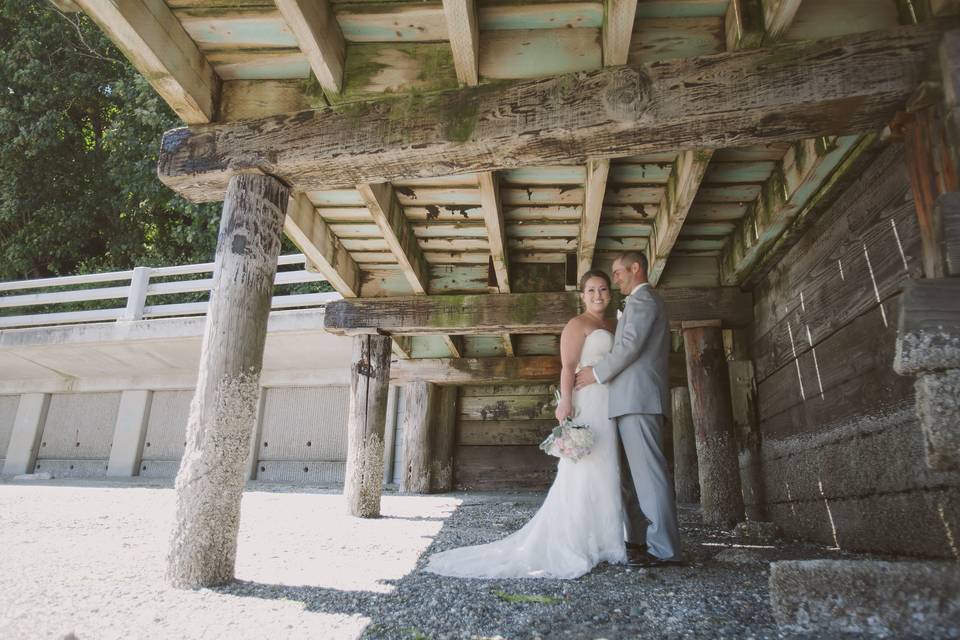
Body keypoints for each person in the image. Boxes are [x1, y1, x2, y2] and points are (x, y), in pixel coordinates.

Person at [422, 270, 626, 579]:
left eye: (603, 289)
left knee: (608, 467)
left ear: (610, 293)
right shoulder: (577, 325)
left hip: (609, 403)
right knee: (583, 469)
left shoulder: (613, 325)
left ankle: (608, 541)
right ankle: (574, 540)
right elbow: (568, 367)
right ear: (582, 295)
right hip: (588, 404)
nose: (598, 295)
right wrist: (566, 402)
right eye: (591, 290)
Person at [575, 250, 682, 565]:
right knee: (635, 477)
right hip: (629, 401)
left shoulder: (644, 300)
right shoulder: (637, 302)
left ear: (636, 268)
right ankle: (638, 540)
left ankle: (666, 550)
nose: (615, 279)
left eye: (618, 272)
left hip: (640, 399)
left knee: (649, 475)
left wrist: (594, 374)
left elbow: (630, 346)